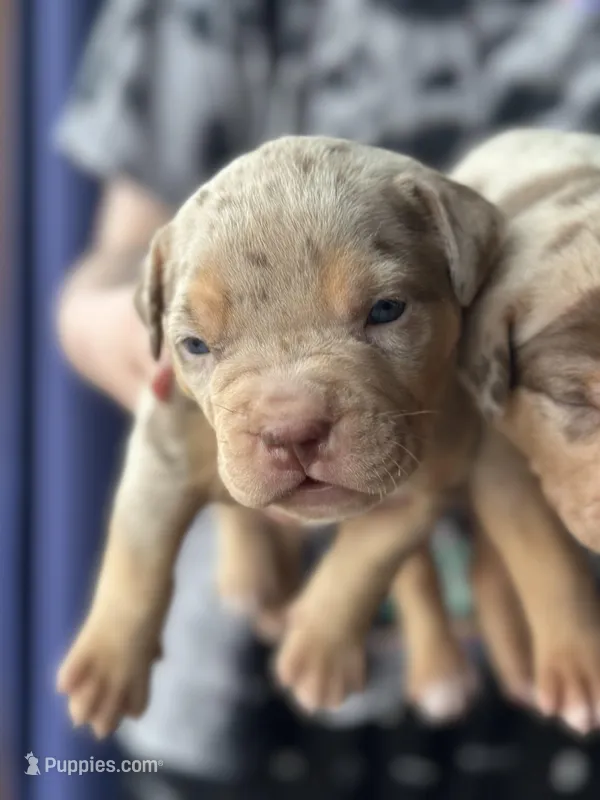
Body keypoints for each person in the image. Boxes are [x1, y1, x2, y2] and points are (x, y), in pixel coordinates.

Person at [55, 1, 600, 798]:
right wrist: (154, 357)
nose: (292, 419)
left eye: (380, 311)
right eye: (203, 343)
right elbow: (108, 279)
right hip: (247, 688)